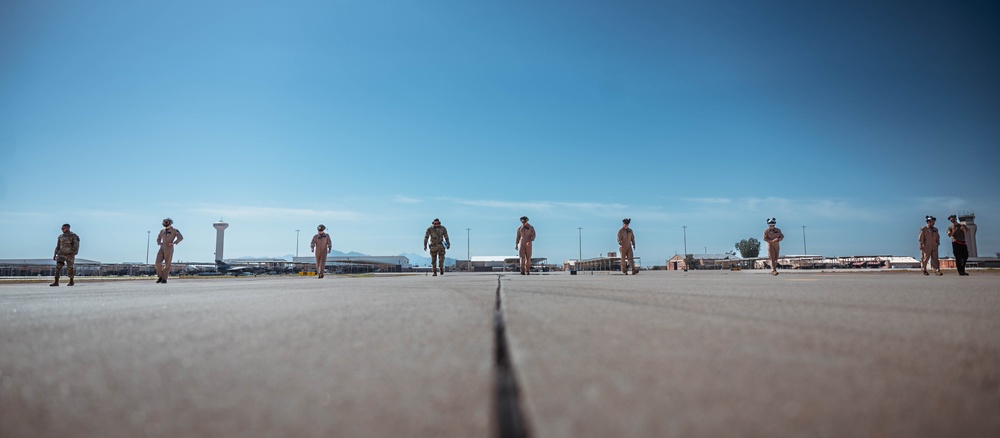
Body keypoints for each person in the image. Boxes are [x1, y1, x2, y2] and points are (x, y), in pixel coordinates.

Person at [155, 218, 183, 283]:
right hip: (162, 248)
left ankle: (164, 278)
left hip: (169, 247)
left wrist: (174, 243)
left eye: (166, 222)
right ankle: (160, 276)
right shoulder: (162, 231)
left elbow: (180, 237)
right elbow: (158, 238)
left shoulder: (174, 230)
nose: (164, 223)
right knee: (157, 263)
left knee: (167, 264)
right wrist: (159, 242)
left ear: (169, 222)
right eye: (164, 222)